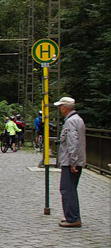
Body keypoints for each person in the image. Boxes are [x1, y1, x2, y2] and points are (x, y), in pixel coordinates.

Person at [54, 96, 86, 228]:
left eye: (61, 106)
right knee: (71, 189)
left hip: (70, 162)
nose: (60, 109)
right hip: (76, 160)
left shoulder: (71, 122)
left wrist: (73, 162)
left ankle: (73, 218)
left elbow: (73, 142)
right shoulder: (78, 120)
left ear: (65, 107)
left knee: (67, 190)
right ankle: (71, 216)